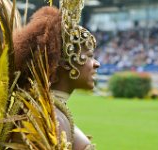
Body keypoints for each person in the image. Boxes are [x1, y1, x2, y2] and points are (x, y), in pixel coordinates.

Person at [13, 1, 100, 149]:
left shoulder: (47, 112)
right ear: (65, 63)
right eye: (90, 56)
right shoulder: (47, 118)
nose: (96, 63)